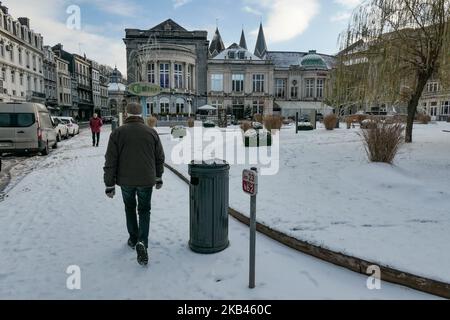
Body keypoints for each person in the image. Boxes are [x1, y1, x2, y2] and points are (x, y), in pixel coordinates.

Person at [103, 103, 165, 266]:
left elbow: (110, 160)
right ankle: (142, 241)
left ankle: (133, 238)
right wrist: (159, 177)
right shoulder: (151, 132)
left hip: (126, 181)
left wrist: (109, 184)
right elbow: (159, 157)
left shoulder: (117, 133)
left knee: (129, 207)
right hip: (146, 179)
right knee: (144, 210)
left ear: (126, 114)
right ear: (141, 115)